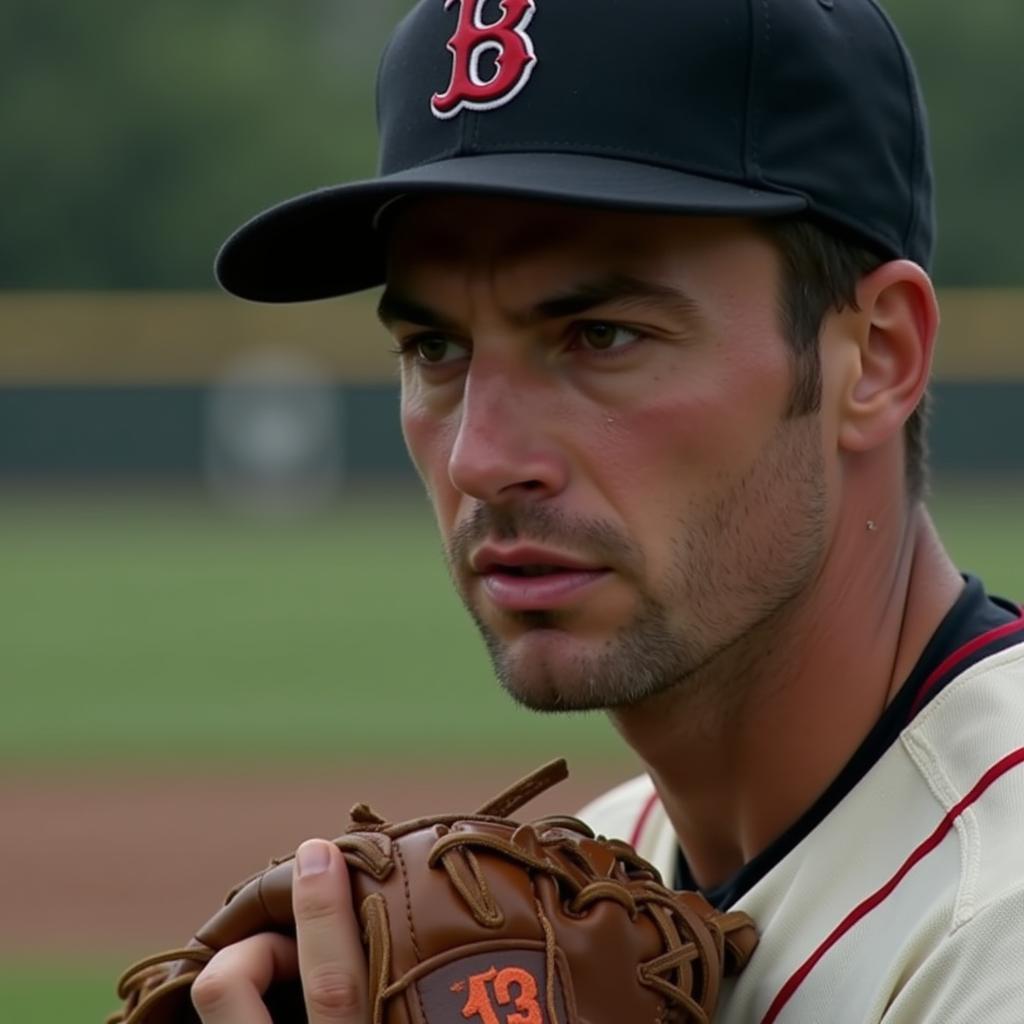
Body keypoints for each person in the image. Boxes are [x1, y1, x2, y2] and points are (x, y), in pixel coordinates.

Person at [194, 1, 1024, 1021]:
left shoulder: (1000, 908)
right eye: (435, 349)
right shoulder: (597, 878)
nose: (483, 458)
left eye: (600, 335)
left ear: (876, 357)